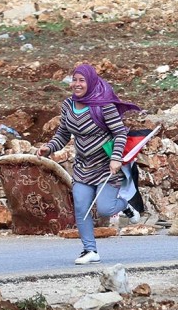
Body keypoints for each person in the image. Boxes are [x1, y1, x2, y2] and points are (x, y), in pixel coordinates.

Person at [37, 63, 141, 265]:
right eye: (74, 80)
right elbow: (63, 134)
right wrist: (48, 148)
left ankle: (126, 206)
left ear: (90, 82)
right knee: (82, 207)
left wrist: (116, 157)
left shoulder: (103, 105)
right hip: (83, 166)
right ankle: (90, 250)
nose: (77, 84)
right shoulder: (68, 105)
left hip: (106, 167)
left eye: (81, 80)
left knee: (104, 209)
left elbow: (120, 133)